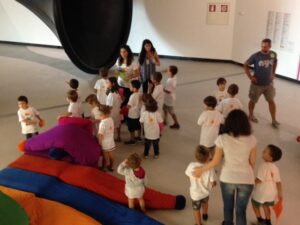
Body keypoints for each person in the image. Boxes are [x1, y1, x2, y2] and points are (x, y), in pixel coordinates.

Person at [193, 109, 257, 225]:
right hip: (247, 179)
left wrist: (201, 169)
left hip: (227, 178)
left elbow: (215, 162)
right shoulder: (252, 139)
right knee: (241, 211)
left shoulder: (222, 139)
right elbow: (252, 162)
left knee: (228, 207)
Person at [244, 38, 279, 128]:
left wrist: (273, 73)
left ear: (270, 46)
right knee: (253, 100)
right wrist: (250, 77)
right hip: (257, 84)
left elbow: (275, 62)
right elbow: (245, 64)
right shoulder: (256, 56)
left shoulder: (273, 54)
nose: (263, 48)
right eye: (262, 46)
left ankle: (274, 120)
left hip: (269, 84)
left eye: (265, 46)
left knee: (271, 101)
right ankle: (251, 115)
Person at [252, 145, 283, 225]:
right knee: (266, 206)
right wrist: (280, 194)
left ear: (270, 158)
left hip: (262, 192)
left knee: (254, 204)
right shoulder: (275, 168)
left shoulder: (263, 166)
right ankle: (268, 222)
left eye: (265, 152)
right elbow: (278, 182)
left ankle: (260, 220)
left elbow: (259, 180)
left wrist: (250, 182)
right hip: (271, 193)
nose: (263, 152)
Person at [185, 146, 217, 225]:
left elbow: (187, 174)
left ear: (196, 157)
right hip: (205, 193)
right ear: (208, 158)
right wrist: (213, 184)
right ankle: (205, 215)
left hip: (195, 194)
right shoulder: (210, 168)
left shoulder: (191, 165)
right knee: (205, 204)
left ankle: (199, 223)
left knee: (196, 210)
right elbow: (213, 182)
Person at [98, 105, 115, 172]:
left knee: (105, 157)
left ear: (103, 114)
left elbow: (100, 135)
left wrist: (100, 143)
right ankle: (111, 166)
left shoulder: (102, 123)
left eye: (100, 115)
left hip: (105, 143)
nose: (99, 117)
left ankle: (103, 167)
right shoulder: (111, 119)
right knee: (111, 155)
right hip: (111, 141)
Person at [125, 80, 142, 145]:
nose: (129, 87)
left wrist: (125, 106)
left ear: (134, 88)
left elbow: (129, 106)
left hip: (132, 114)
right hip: (137, 113)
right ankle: (139, 137)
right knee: (138, 125)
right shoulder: (140, 93)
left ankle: (132, 139)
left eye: (130, 86)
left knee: (131, 128)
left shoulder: (132, 96)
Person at [106, 77, 122, 142]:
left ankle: (111, 140)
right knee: (117, 124)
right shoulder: (117, 93)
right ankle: (118, 137)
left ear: (112, 84)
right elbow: (120, 102)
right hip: (117, 112)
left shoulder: (111, 95)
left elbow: (110, 107)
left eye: (108, 82)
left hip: (112, 113)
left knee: (111, 126)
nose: (107, 83)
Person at [163, 65, 180, 129]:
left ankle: (176, 123)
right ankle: (165, 120)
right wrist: (165, 71)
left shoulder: (170, 81)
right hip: (169, 98)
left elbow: (168, 91)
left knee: (171, 112)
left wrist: (162, 88)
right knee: (164, 109)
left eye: (168, 70)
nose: (167, 71)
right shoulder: (174, 76)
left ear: (170, 72)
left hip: (169, 99)